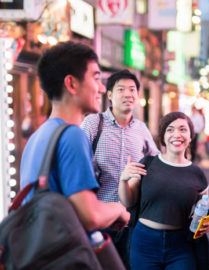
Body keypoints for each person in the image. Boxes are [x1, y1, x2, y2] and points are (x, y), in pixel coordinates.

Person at [20, 42, 130, 234]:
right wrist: (118, 209)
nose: (102, 89)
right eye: (96, 78)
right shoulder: (72, 135)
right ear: (71, 84)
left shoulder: (39, 135)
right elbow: (90, 216)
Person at [81, 69, 159, 268]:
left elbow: (157, 164)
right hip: (100, 222)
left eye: (132, 89)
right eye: (121, 89)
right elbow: (77, 165)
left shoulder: (141, 129)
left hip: (132, 223)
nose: (128, 94)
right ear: (109, 95)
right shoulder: (93, 124)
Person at [119, 112, 209, 270]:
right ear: (163, 137)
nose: (177, 134)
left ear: (190, 136)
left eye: (183, 129)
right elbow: (128, 201)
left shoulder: (198, 174)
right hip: (145, 243)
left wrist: (206, 224)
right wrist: (123, 180)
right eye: (170, 129)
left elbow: (202, 211)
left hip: (181, 246)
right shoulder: (148, 163)